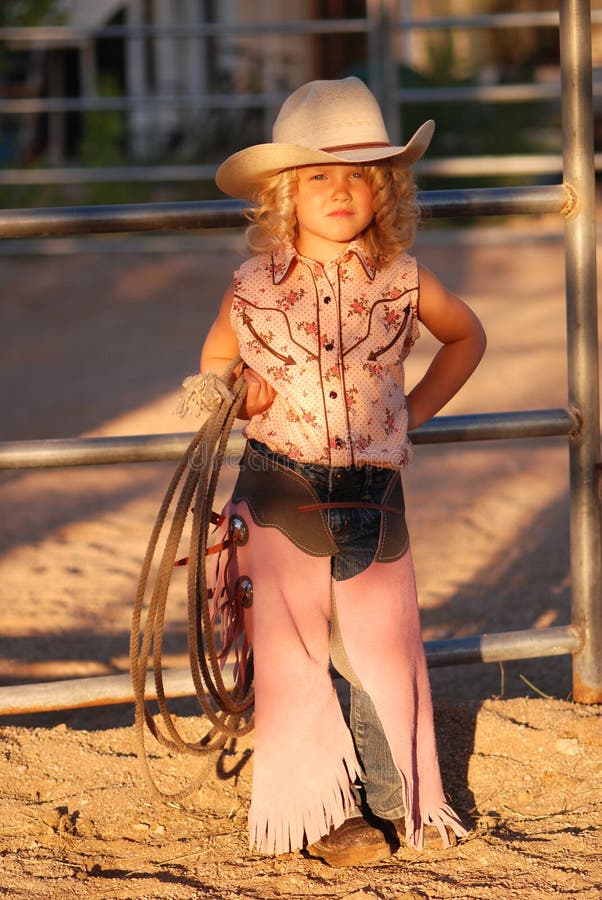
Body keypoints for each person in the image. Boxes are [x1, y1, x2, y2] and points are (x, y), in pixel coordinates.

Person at [196, 77, 486, 866]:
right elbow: (218, 356)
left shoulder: (403, 279)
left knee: (379, 650)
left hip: (372, 492)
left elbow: (467, 338)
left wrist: (413, 412)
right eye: (319, 175)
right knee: (294, 651)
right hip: (279, 481)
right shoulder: (253, 285)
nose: (341, 190)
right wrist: (233, 389)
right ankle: (324, 814)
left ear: (383, 190)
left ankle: (399, 806)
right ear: (285, 194)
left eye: (359, 174)